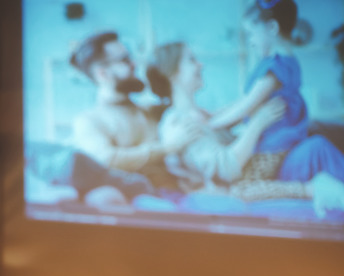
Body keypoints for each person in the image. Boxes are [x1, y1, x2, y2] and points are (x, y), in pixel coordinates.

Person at [147, 41, 344, 215]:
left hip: (254, 175)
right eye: (191, 60)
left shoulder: (199, 114)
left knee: (316, 145)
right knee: (317, 149)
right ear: (172, 74)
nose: (201, 64)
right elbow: (227, 168)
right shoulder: (180, 124)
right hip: (243, 187)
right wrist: (259, 123)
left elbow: (236, 110)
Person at [209, 0, 344, 184]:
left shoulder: (275, 69)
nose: (250, 41)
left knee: (241, 184)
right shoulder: (285, 62)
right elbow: (243, 101)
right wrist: (213, 115)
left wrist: (210, 125)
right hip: (283, 143)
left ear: (272, 27)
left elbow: (246, 106)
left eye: (251, 34)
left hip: (273, 148)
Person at [70, 31, 198, 193]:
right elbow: (105, 159)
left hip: (180, 195)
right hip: (142, 205)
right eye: (125, 60)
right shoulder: (89, 120)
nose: (134, 64)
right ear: (103, 73)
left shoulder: (150, 110)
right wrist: (167, 148)